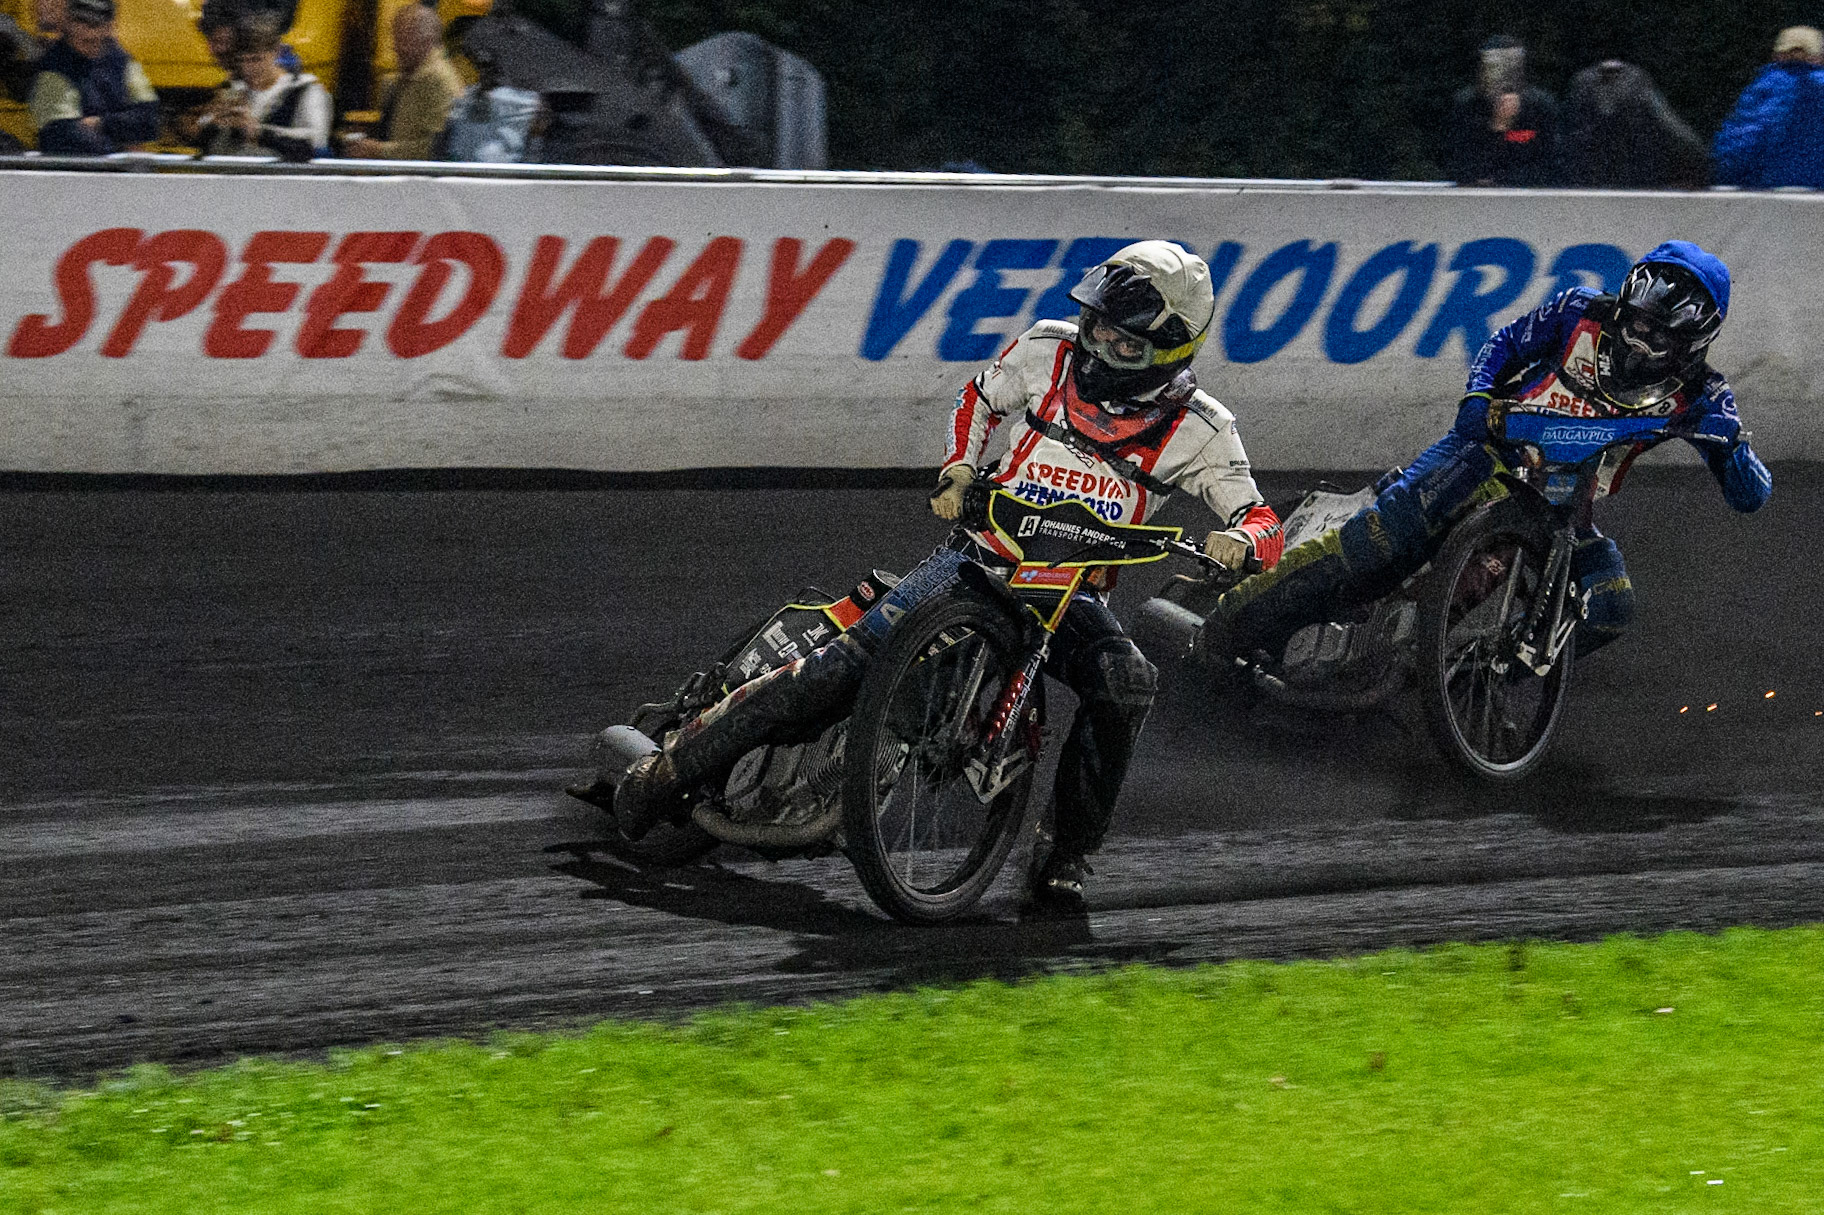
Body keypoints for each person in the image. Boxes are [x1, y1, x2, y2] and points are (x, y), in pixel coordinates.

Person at [588, 241, 1285, 907]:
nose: (1100, 349)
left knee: (1127, 682)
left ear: (1171, 353)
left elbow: (1263, 519)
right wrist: (957, 468)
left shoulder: (1204, 429)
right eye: (1097, 326)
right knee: (835, 668)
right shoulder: (1047, 348)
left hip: (1066, 597)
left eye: (1124, 344)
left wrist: (1241, 542)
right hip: (974, 559)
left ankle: (1065, 853)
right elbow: (978, 397)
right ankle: (669, 769)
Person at [1198, 241, 1772, 669]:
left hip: (1565, 513)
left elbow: (1752, 496)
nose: (1640, 343)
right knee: (1381, 539)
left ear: (1694, 343)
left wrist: (1733, 451)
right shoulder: (1578, 312)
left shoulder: (1704, 397)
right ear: (1623, 306)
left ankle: (1470, 677)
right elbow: (1503, 343)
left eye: (1660, 337)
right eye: (1637, 323)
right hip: (1487, 452)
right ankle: (1222, 632)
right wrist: (1478, 396)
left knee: (1611, 608)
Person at [194, 12, 330, 161]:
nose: (248, 68)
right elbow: (210, 147)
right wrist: (213, 126)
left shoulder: (304, 90)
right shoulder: (233, 90)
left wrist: (259, 133)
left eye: (256, 60)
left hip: (283, 179)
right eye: (242, 61)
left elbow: (317, 144)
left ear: (275, 52)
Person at [28, 0, 158, 155]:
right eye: (82, 22)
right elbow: (62, 136)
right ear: (68, 24)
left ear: (110, 26)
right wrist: (123, 143)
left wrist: (100, 123)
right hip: (75, 173)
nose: (90, 32)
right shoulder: (52, 68)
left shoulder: (122, 61)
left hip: (120, 169)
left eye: (97, 24)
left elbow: (150, 121)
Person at [340, 3, 462, 161]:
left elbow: (434, 149)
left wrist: (378, 150)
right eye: (395, 38)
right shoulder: (404, 77)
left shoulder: (439, 81)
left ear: (427, 40)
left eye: (404, 40)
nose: (396, 48)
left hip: (414, 181)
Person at [1560, 59, 1707, 188]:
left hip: (1591, 186)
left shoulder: (1581, 88)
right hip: (1639, 183)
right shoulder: (1638, 88)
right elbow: (1687, 144)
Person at [1713, 26, 1824, 189]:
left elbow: (1742, 143)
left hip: (1768, 194)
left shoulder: (1764, 87)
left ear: (1777, 55)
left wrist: (1727, 178)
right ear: (1820, 57)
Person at [1444, 35, 1559, 186]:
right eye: (1494, 67)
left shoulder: (1540, 105)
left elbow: (1551, 162)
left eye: (1511, 67)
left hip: (1528, 194)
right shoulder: (1467, 105)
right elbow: (1460, 164)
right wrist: (1497, 126)